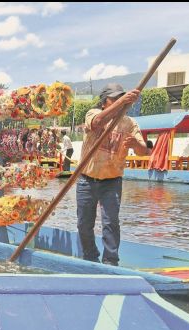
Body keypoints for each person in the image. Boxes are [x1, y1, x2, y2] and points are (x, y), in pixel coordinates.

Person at [77, 83, 150, 266]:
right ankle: (90, 257)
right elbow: (97, 123)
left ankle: (110, 261)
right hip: (87, 178)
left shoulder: (130, 123)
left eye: (121, 98)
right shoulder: (93, 113)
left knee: (111, 223)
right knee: (84, 224)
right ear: (104, 102)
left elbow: (144, 151)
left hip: (112, 181)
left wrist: (135, 145)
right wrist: (123, 102)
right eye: (115, 99)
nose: (119, 101)